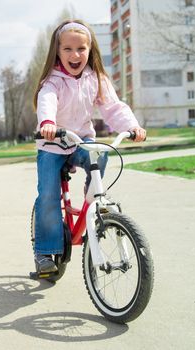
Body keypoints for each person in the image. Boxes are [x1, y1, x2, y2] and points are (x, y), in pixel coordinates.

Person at [33, 19, 146, 273]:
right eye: (68, 49)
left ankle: (92, 197)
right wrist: (48, 123)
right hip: (53, 144)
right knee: (49, 196)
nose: (75, 55)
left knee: (100, 153)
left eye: (81, 49)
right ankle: (44, 253)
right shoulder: (53, 81)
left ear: (90, 49)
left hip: (80, 140)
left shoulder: (96, 78)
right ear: (57, 51)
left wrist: (132, 127)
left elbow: (113, 107)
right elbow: (46, 101)